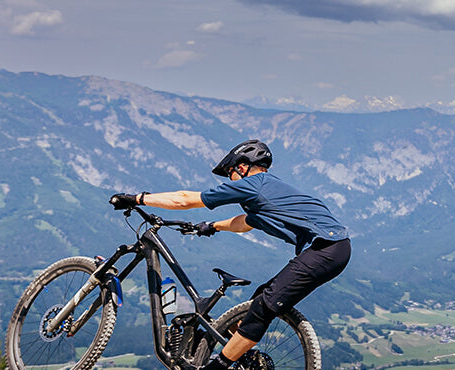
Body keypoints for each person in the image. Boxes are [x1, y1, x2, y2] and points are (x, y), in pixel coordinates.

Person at [108, 139, 351, 370]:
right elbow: (245, 222)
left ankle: (216, 367)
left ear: (243, 168)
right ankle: (228, 350)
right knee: (257, 300)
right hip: (332, 249)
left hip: (325, 248)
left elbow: (184, 200)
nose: (230, 181)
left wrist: (139, 198)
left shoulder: (254, 185)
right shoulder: (268, 191)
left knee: (264, 306)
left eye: (231, 174)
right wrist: (211, 226)